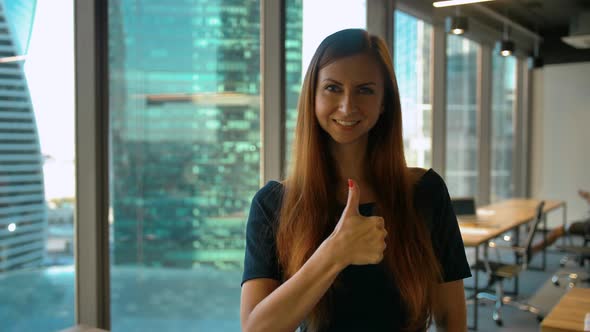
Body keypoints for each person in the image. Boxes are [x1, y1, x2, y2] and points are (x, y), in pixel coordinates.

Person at [240, 29, 471, 332]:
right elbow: (255, 329)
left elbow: (451, 319)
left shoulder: (425, 192)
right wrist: (334, 252)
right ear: (312, 97)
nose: (348, 106)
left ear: (384, 102)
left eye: (364, 90)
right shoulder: (274, 203)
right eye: (333, 88)